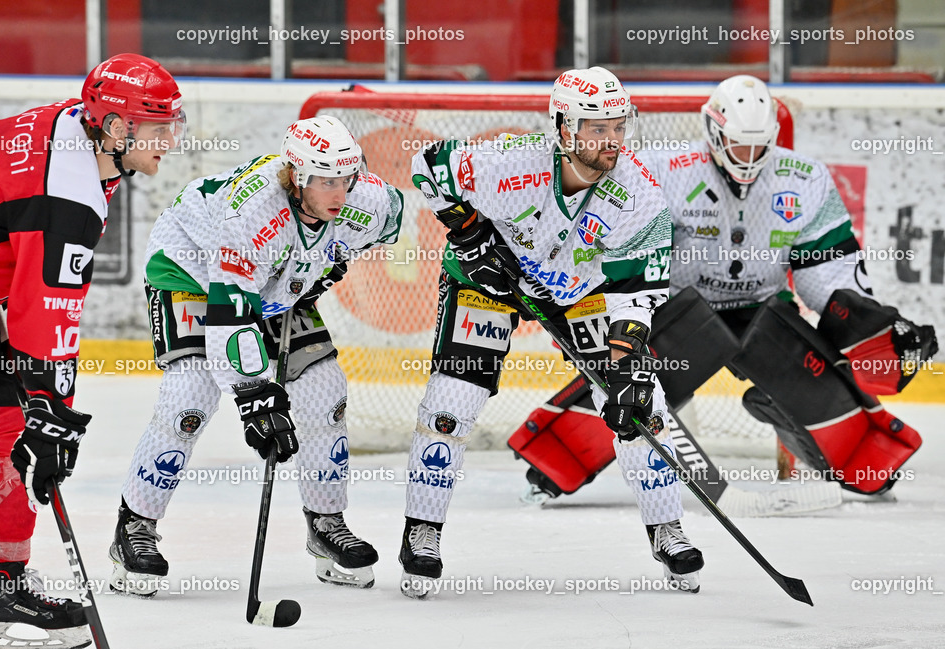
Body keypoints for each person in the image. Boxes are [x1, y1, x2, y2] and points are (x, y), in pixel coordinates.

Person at [513, 75, 937, 505]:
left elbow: (827, 273)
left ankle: (867, 462)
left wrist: (870, 324)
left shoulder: (805, 179)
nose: (747, 157)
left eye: (757, 146)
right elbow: (610, 234)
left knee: (820, 389)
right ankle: (555, 459)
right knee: (629, 385)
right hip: (678, 311)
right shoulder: (663, 170)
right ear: (714, 131)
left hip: (762, 309)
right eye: (737, 144)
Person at [0, 53, 184, 649]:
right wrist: (56, 410)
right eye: (158, 125)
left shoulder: (86, 142)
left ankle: (2, 587)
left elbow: (36, 306)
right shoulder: (65, 189)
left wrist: (45, 410)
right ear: (116, 127)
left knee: (7, 421)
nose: (171, 139)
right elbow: (46, 321)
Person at [397, 66, 703, 599]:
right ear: (563, 128)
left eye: (617, 128)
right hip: (487, 283)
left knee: (642, 404)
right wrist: (470, 234)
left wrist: (627, 364)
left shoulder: (642, 199)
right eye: (596, 128)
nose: (610, 142)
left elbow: (637, 292)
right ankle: (422, 530)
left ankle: (666, 529)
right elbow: (427, 167)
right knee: (450, 405)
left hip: (575, 293)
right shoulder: (509, 162)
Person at [108, 115, 403, 596]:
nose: (340, 193)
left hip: (275, 281)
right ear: (297, 176)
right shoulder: (253, 213)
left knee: (325, 393)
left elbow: (392, 216)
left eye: (347, 179)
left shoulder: (364, 199)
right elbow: (232, 311)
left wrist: (330, 263)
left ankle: (326, 524)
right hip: (191, 273)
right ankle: (134, 528)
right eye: (327, 181)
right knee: (190, 399)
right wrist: (255, 398)